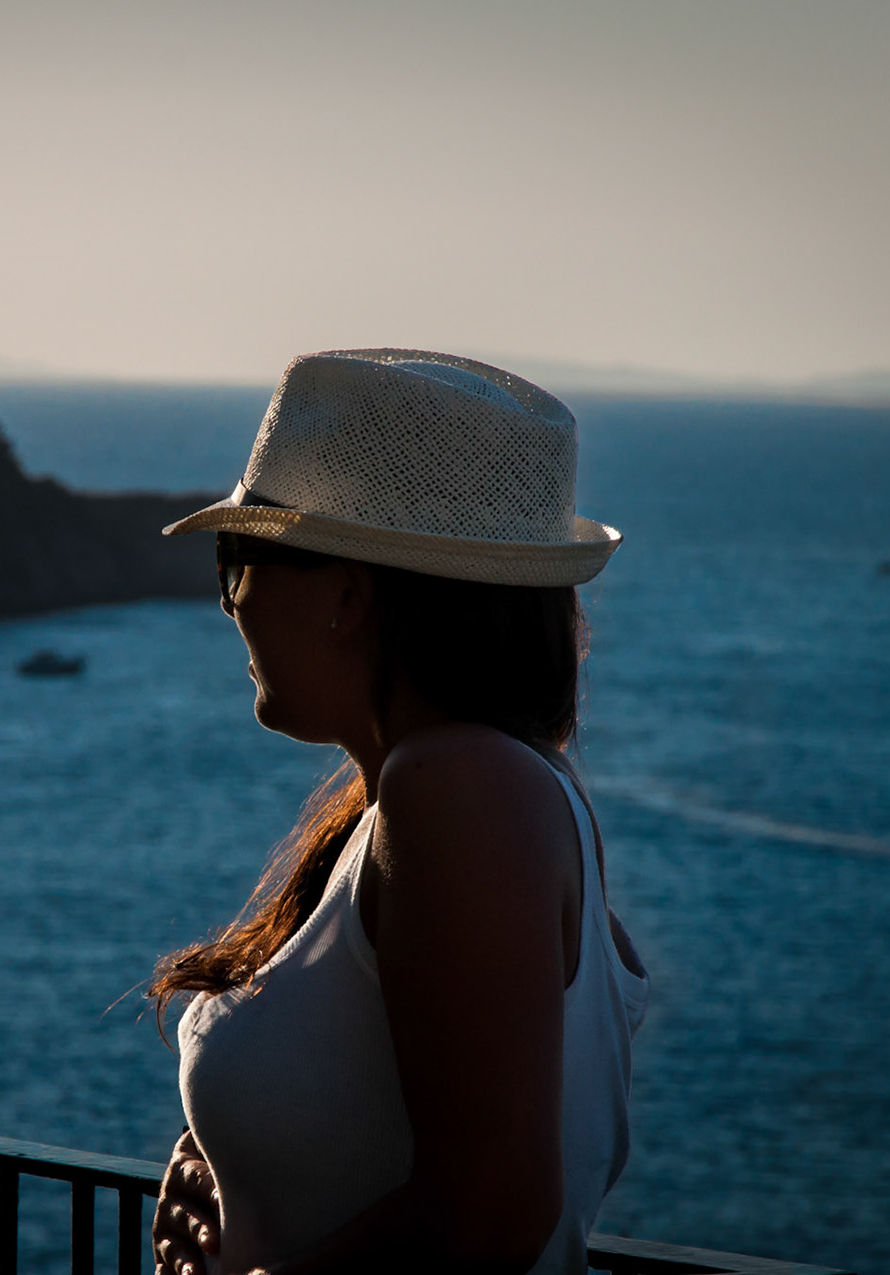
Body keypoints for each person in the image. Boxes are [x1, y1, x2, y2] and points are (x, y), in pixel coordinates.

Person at [147, 350, 649, 1275]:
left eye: (240, 559)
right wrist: (238, 1165)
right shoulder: (477, 790)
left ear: (348, 593)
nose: (231, 605)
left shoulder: (459, 790)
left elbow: (491, 1215)